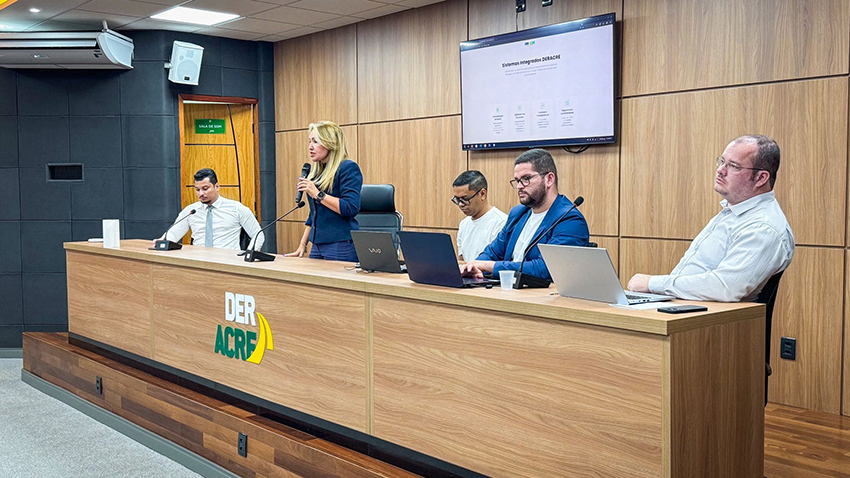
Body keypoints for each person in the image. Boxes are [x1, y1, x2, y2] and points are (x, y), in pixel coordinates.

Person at [627, 135, 794, 302]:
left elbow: (725, 287)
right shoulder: (733, 213)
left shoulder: (763, 227)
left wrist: (653, 283)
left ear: (761, 178)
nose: (721, 170)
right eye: (722, 161)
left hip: (708, 316)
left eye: (733, 166)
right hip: (683, 308)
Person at [460, 149, 589, 281]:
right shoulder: (518, 213)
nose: (519, 186)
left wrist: (491, 266)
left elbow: (546, 269)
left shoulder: (570, 220)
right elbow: (493, 252)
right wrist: (473, 267)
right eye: (517, 180)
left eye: (526, 179)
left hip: (543, 293)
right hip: (508, 289)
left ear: (549, 179)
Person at [285, 121, 362, 262]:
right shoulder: (317, 173)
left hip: (341, 244)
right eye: (309, 141)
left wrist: (318, 194)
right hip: (317, 245)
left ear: (330, 144)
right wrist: (302, 244)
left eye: (315, 142)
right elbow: (314, 214)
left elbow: (350, 207)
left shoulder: (347, 168)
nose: (310, 147)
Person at [153, 168, 263, 251]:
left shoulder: (237, 209)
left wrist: (248, 255)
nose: (201, 193)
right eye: (197, 190)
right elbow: (174, 233)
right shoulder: (191, 211)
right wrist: (163, 240)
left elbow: (258, 235)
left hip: (228, 262)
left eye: (205, 189)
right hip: (198, 262)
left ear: (217, 187)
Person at [452, 171, 507, 262]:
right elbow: (462, 261)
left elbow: (499, 264)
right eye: (457, 199)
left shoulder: (502, 223)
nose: (460, 204)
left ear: (482, 194)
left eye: (465, 199)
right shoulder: (464, 224)